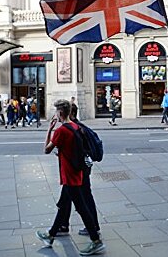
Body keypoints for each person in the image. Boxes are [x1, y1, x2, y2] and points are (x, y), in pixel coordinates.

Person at [36, 99, 105, 255]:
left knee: (81, 207)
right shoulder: (76, 127)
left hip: (69, 175)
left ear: (60, 113)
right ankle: (51, 235)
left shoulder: (61, 131)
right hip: (77, 172)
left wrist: (49, 130)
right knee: (63, 206)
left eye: (56, 112)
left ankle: (96, 240)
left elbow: (46, 150)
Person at [54, 100, 101, 238]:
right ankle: (62, 226)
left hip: (77, 170)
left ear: (71, 113)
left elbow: (79, 150)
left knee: (80, 198)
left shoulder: (76, 128)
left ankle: (92, 229)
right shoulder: (77, 127)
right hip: (78, 168)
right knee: (67, 199)